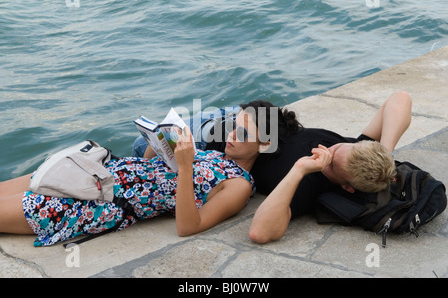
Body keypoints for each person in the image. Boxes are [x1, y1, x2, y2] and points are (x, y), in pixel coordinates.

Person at [0, 106, 276, 246]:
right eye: (232, 127)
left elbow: (189, 226)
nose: (230, 136)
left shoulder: (239, 185)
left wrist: (186, 166)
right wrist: (160, 145)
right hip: (99, 170)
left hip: (98, 201)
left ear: (264, 144)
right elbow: (151, 167)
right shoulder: (215, 156)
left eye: (242, 133)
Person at [248, 91, 412, 244]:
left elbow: (259, 232)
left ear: (346, 187)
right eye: (337, 148)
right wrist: (385, 152)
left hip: (241, 143)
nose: (326, 152)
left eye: (331, 164)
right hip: (268, 121)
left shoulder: (307, 184)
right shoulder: (354, 152)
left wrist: (299, 170)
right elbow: (400, 98)